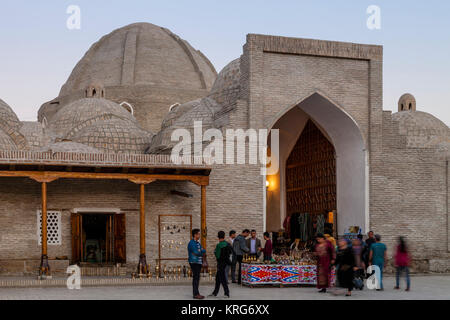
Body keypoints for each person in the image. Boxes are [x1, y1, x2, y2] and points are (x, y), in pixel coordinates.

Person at [209, 231, 232, 298]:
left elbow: (218, 256)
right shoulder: (227, 244)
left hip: (220, 263)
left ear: (218, 237)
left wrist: (215, 252)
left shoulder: (219, 245)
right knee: (218, 278)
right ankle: (215, 292)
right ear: (224, 236)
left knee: (223, 279)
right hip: (226, 263)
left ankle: (226, 293)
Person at [187, 228, 206, 299]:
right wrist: (201, 251)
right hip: (194, 262)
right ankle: (195, 294)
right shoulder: (191, 243)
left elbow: (203, 250)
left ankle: (197, 293)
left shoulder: (198, 243)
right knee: (196, 278)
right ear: (195, 235)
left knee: (197, 278)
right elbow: (197, 252)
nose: (199, 235)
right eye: (198, 234)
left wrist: (201, 250)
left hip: (198, 262)